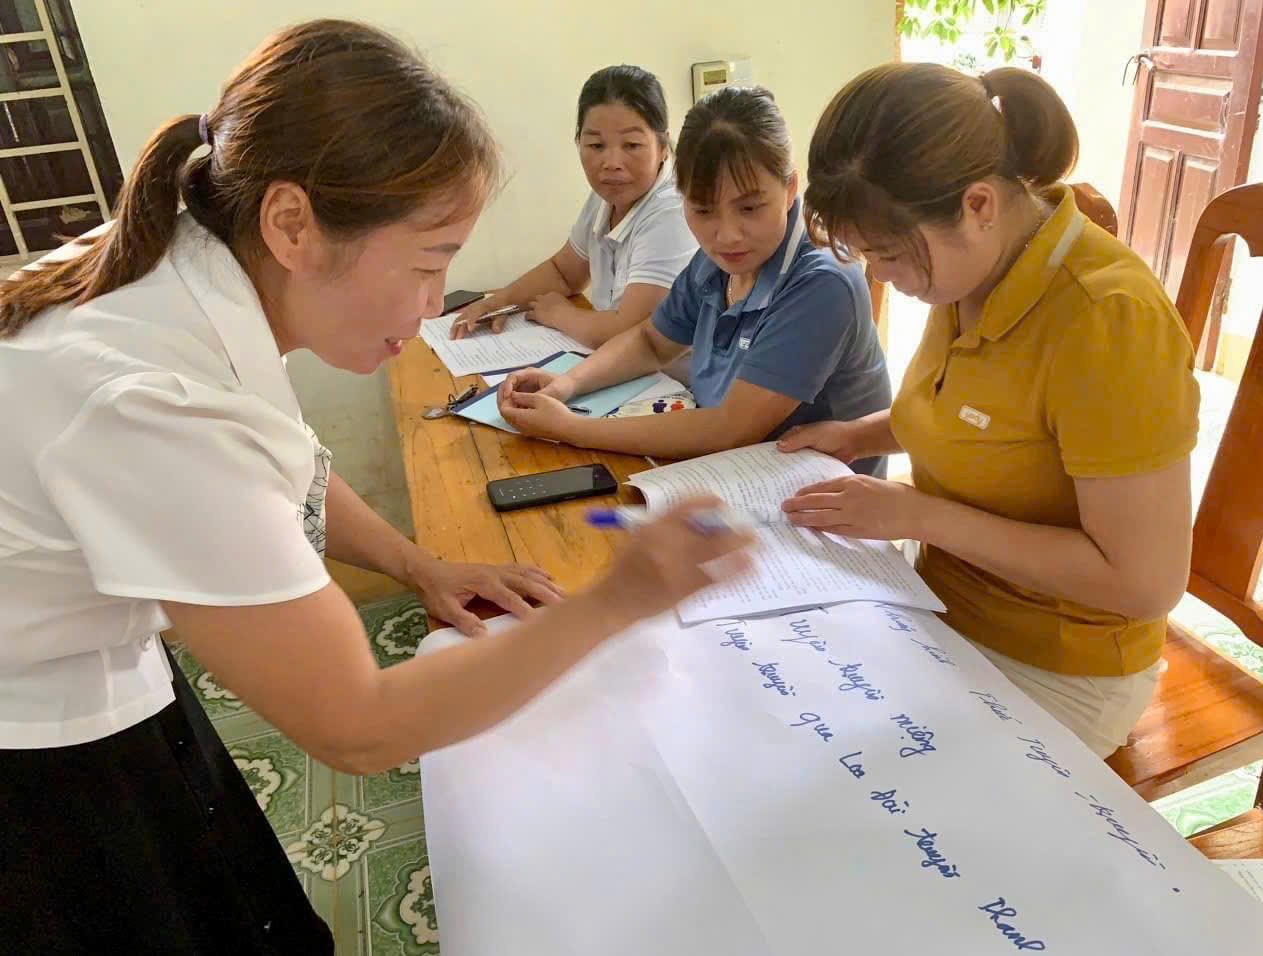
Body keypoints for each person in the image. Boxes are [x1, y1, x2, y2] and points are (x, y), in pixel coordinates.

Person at [0, 21, 752, 954]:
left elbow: (287, 463)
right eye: (429, 262)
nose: (436, 302)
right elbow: (356, 727)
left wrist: (418, 565)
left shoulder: (192, 263)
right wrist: (619, 601)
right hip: (33, 747)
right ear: (291, 225)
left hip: (86, 674)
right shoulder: (152, 406)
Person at [780, 63, 1199, 758]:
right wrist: (861, 433)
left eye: (889, 255)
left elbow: (1145, 582)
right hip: (940, 602)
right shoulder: (975, 270)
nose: (879, 278)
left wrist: (917, 514)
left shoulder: (1109, 321)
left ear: (978, 205)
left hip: (1062, 661)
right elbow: (988, 418)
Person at [495, 86, 892, 467]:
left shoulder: (823, 282)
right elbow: (651, 342)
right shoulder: (715, 262)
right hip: (729, 469)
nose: (727, 234)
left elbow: (729, 430)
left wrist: (573, 428)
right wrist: (566, 384)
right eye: (703, 211)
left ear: (789, 189)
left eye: (750, 208)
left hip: (808, 503)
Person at [450, 64, 696, 348]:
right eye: (596, 145)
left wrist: (561, 315)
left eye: (631, 145)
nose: (612, 162)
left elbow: (631, 333)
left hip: (673, 383)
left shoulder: (673, 213)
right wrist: (501, 301)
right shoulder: (608, 195)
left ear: (663, 145)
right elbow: (564, 272)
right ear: (578, 141)